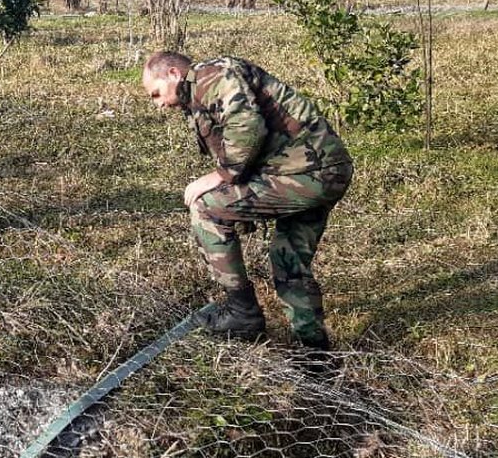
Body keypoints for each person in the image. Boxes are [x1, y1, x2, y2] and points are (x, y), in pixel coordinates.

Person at [141, 51, 354, 351]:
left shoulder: (210, 76)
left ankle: (242, 312)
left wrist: (221, 176)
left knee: (207, 207)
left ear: (174, 74)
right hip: (320, 169)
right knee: (288, 261)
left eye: (156, 93)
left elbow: (247, 125)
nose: (158, 104)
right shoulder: (200, 88)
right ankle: (316, 356)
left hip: (309, 172)